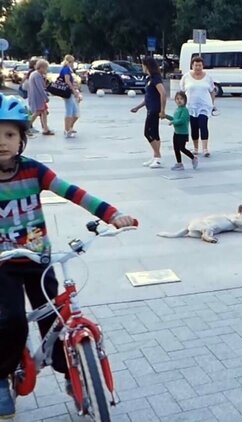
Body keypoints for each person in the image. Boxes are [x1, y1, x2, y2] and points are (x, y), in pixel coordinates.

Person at [0, 93, 136, 419]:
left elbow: (73, 192)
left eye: (9, 134)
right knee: (12, 321)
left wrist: (112, 214)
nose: (2, 142)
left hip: (38, 262)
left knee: (55, 325)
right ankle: (1, 381)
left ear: (21, 139)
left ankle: (70, 376)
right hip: (3, 265)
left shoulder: (33, 171)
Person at [131, 57, 167, 169]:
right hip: (149, 108)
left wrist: (162, 110)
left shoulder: (156, 78)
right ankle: (155, 157)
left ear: (147, 65)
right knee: (155, 133)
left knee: (147, 133)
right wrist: (138, 107)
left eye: (143, 64)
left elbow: (163, 93)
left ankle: (158, 156)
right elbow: (148, 98)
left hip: (154, 109)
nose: (142, 67)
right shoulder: (149, 78)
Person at [179, 56, 217, 158]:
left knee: (203, 124)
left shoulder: (208, 77)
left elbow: (212, 91)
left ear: (202, 66)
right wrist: (181, 105)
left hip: (204, 106)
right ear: (192, 66)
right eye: (196, 65)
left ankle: (205, 148)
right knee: (194, 127)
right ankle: (196, 148)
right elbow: (182, 91)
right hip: (191, 106)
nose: (198, 67)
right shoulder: (186, 77)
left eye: (200, 65)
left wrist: (213, 104)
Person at [164, 91, 197, 171]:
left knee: (182, 148)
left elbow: (181, 121)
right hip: (176, 133)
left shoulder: (184, 110)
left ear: (185, 100)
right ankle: (179, 163)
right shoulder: (177, 109)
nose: (179, 100)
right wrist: (166, 116)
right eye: (177, 99)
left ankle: (193, 158)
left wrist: (173, 122)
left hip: (183, 133)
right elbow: (175, 119)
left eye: (181, 99)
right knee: (176, 148)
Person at [27, 59, 54, 136]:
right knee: (37, 112)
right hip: (38, 97)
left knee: (44, 112)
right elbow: (40, 88)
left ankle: (45, 129)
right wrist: (45, 97)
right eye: (46, 68)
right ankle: (26, 127)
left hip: (36, 96)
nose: (46, 70)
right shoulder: (37, 75)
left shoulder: (34, 74)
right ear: (41, 67)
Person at [59, 54, 82, 138]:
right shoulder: (66, 69)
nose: (74, 63)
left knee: (75, 112)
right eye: (73, 61)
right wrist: (74, 91)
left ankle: (69, 128)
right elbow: (67, 81)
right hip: (68, 93)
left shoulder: (68, 69)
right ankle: (67, 130)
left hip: (70, 93)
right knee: (69, 111)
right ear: (70, 62)